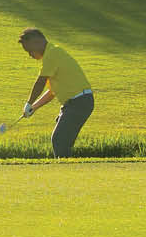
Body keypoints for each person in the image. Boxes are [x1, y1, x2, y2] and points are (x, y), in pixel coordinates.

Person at [17, 27, 94, 157]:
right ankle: (67, 165)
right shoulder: (52, 54)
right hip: (77, 103)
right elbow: (52, 92)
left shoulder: (52, 54)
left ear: (37, 42)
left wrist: (28, 103)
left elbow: (40, 82)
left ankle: (65, 168)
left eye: (29, 50)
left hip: (79, 102)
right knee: (61, 139)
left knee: (59, 139)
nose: (30, 55)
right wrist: (34, 107)